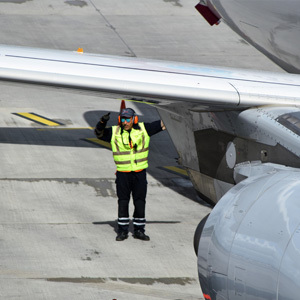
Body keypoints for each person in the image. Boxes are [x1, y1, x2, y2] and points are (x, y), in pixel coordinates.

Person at [94, 108, 166, 241]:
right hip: (123, 174)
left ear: (134, 119)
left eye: (128, 119)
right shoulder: (114, 132)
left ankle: (139, 230)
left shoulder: (144, 129)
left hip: (139, 174)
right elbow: (99, 134)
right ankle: (122, 231)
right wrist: (102, 122)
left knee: (139, 202)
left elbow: (164, 124)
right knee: (123, 201)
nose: (125, 122)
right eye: (123, 119)